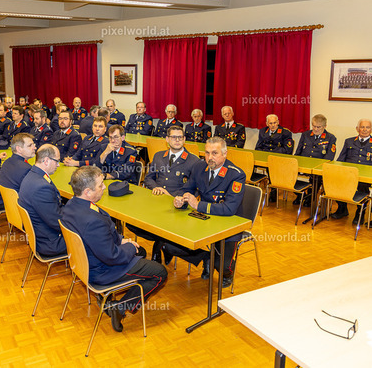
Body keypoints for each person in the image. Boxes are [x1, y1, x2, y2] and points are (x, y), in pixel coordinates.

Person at [61, 166, 168, 332]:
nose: (104, 187)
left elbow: (103, 235)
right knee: (160, 272)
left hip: (84, 263)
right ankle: (120, 307)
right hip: (102, 270)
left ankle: (112, 296)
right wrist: (129, 246)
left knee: (140, 252)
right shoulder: (92, 220)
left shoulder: (70, 205)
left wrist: (121, 240)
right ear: (87, 191)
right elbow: (112, 256)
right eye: (100, 185)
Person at [163, 137, 246, 287]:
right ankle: (206, 256)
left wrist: (198, 204)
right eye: (207, 153)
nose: (210, 157)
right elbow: (187, 189)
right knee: (171, 246)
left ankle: (226, 272)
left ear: (225, 154)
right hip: (204, 219)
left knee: (222, 265)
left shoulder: (236, 174)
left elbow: (229, 209)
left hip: (228, 224)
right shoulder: (199, 167)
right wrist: (181, 199)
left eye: (215, 153)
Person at [134, 125, 201, 262]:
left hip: (179, 206)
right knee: (133, 222)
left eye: (180, 137)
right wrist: (156, 188)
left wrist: (171, 195)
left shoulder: (194, 161)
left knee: (164, 222)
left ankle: (159, 248)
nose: (177, 140)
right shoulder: (159, 156)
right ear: (167, 139)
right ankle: (163, 245)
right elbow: (148, 178)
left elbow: (194, 188)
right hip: (157, 201)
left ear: (184, 139)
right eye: (173, 137)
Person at [331, 119, 372, 222]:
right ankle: (342, 208)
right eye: (362, 127)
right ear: (357, 129)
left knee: (362, 185)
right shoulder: (349, 141)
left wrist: (369, 173)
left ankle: (360, 212)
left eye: (367, 127)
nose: (364, 129)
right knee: (337, 181)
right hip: (348, 173)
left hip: (366, 176)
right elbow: (341, 159)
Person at [18, 144, 66, 257]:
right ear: (46, 160)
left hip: (41, 234)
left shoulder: (32, 175)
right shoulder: (41, 187)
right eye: (57, 161)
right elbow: (57, 222)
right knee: (91, 233)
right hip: (50, 242)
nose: (58, 165)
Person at [293, 114, 337, 205]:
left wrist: (318, 167)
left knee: (316, 178)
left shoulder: (330, 138)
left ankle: (310, 197)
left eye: (318, 127)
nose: (316, 129)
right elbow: (298, 152)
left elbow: (329, 157)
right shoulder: (305, 135)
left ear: (325, 126)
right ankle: (300, 194)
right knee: (288, 173)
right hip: (304, 164)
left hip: (318, 168)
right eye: (314, 126)